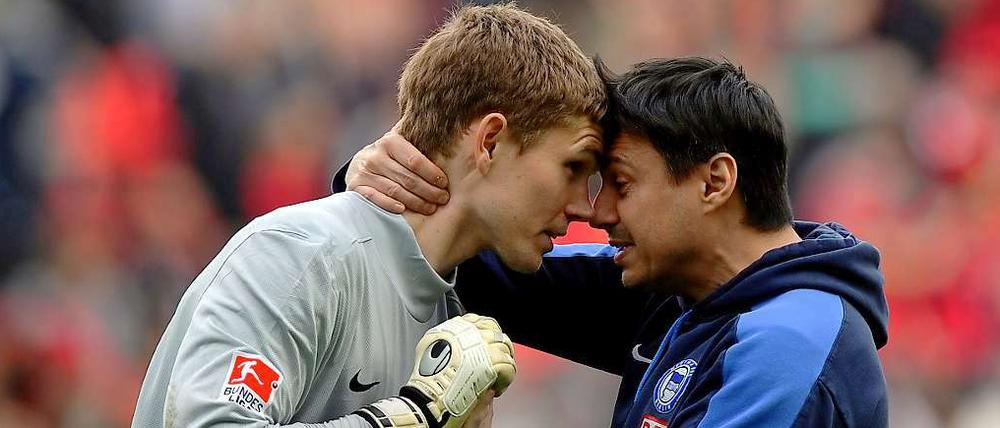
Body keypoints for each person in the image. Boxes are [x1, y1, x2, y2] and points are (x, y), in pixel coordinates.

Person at [339, 57, 890, 427]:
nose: (598, 213)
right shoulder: (680, 293)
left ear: (714, 183)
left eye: (621, 184)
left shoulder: (788, 345)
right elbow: (468, 260)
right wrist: (384, 177)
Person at [133, 4, 611, 427]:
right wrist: (408, 417)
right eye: (572, 168)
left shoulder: (453, 310)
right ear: (489, 142)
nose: (582, 206)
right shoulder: (301, 257)